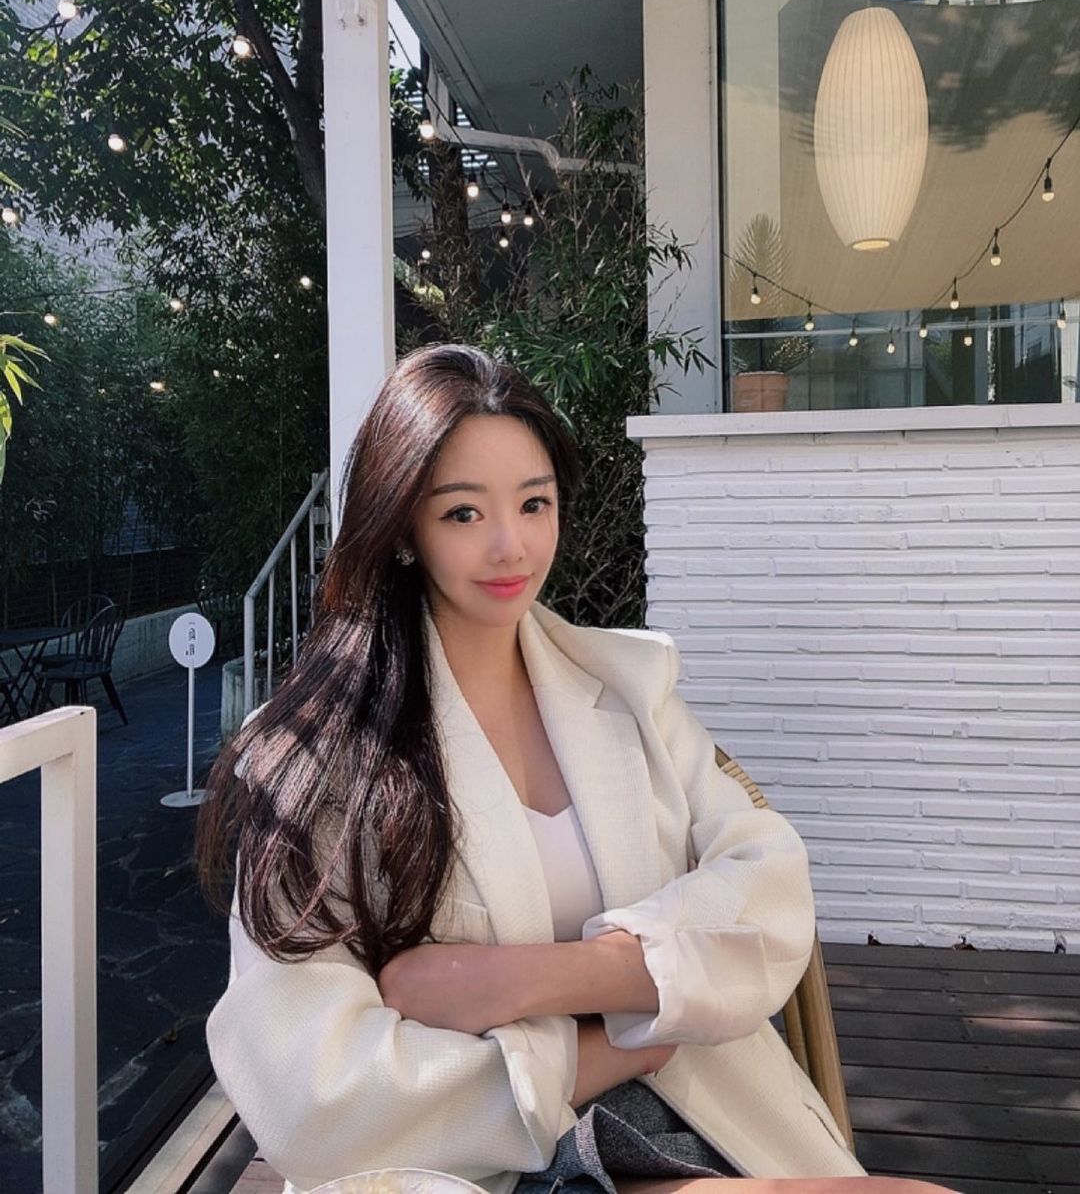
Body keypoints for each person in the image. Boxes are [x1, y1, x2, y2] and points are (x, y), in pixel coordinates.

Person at [197, 343, 866, 1194]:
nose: (510, 546)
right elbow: (309, 1091)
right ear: (403, 526)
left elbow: (770, 889)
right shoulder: (321, 756)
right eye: (463, 513)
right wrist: (619, 1041)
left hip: (696, 1109)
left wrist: (518, 980)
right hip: (471, 1164)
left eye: (534, 503)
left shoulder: (628, 687)